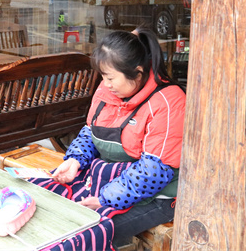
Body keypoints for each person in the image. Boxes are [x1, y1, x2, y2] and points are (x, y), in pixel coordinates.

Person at [52, 28, 186, 248]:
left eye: (111, 77)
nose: (106, 84)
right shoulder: (108, 90)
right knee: (49, 205)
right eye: (103, 77)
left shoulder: (169, 102)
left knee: (78, 234)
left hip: (154, 195)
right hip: (108, 180)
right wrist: (75, 160)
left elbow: (154, 173)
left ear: (138, 73)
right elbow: (91, 131)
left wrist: (105, 199)